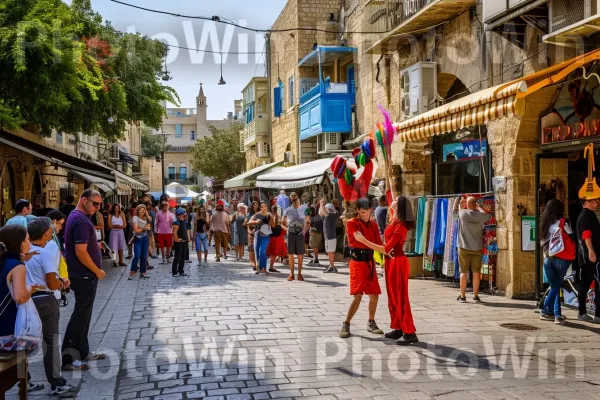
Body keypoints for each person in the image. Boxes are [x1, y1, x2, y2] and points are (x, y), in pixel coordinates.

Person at [26, 217, 75, 395]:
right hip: (44, 300)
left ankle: (25, 380)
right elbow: (51, 282)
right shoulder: (44, 253)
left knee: (24, 342)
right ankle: (56, 382)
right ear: (47, 232)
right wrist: (62, 283)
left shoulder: (23, 253)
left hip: (25, 300)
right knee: (51, 341)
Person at [61, 189, 106, 371]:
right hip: (84, 275)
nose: (97, 208)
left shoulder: (76, 216)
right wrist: (98, 270)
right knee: (80, 317)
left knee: (85, 315)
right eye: (95, 203)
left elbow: (82, 246)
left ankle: (83, 351)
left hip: (83, 274)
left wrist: (96, 245)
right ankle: (69, 358)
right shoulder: (80, 220)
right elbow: (80, 252)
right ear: (84, 200)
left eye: (99, 204)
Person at [0, 224, 45, 395]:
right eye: (26, 239)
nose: (29, 242)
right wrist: (30, 290)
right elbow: (19, 297)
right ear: (19, 243)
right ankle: (23, 385)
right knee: (31, 341)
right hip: (7, 336)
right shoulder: (16, 266)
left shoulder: (5, 262)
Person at [339, 198, 385, 338]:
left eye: (369, 211)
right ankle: (346, 323)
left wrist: (368, 243)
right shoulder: (352, 223)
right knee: (358, 295)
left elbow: (378, 243)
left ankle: (371, 322)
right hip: (357, 263)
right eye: (364, 212)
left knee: (374, 294)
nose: (367, 214)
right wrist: (369, 243)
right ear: (358, 211)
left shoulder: (372, 224)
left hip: (370, 262)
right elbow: (356, 241)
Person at [539, 199, 573, 325]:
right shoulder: (563, 222)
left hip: (548, 259)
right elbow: (571, 237)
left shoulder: (544, 223)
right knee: (555, 286)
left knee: (554, 286)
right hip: (561, 258)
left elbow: (542, 243)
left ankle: (556, 315)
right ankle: (546, 311)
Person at [457, 197, 489, 303]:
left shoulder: (463, 214)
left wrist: (463, 204)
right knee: (476, 272)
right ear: (475, 204)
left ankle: (463, 296)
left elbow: (457, 209)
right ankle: (475, 296)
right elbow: (486, 215)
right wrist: (478, 207)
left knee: (464, 272)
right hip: (477, 248)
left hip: (463, 247)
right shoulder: (481, 216)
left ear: (467, 204)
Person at [576, 193, 600, 322]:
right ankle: (582, 312)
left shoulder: (590, 215)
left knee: (596, 284)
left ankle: (597, 314)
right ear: (586, 202)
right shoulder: (585, 216)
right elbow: (586, 235)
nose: (597, 203)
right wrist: (591, 251)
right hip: (588, 257)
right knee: (584, 284)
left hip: (593, 257)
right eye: (594, 201)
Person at [282, 192, 310, 281]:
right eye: (292, 196)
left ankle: (299, 274)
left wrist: (305, 230)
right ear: (290, 198)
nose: (293, 197)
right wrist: (287, 229)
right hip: (291, 234)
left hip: (300, 234)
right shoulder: (287, 210)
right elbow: (282, 223)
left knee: (300, 255)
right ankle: (291, 274)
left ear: (298, 197)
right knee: (290, 255)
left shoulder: (304, 209)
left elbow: (308, 222)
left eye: (295, 195)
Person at [129, 204, 151, 280]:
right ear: (137, 211)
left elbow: (150, 220)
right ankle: (132, 272)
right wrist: (144, 228)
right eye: (141, 210)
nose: (142, 211)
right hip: (138, 238)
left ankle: (143, 273)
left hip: (145, 238)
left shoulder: (145, 218)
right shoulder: (135, 218)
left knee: (144, 256)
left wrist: (147, 215)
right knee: (137, 255)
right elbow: (136, 230)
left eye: (144, 210)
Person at [251, 201, 274, 274]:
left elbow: (273, 225)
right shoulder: (257, 215)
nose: (264, 208)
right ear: (260, 208)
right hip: (257, 235)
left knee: (262, 251)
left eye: (265, 206)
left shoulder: (269, 215)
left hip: (266, 236)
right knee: (257, 251)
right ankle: (259, 268)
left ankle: (263, 267)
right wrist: (256, 222)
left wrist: (272, 217)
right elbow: (249, 222)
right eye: (262, 207)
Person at [320, 200, 339, 273]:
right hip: (331, 236)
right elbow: (321, 213)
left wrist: (322, 204)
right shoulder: (334, 214)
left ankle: (332, 267)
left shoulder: (330, 215)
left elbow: (323, 212)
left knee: (330, 252)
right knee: (330, 252)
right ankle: (331, 266)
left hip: (329, 236)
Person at [267, 204, 286, 273]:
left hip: (275, 236)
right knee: (271, 252)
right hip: (272, 236)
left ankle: (270, 267)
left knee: (273, 253)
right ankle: (268, 267)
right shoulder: (270, 216)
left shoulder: (278, 217)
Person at [172, 208, 190, 277]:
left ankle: (181, 271)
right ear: (181, 214)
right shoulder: (177, 222)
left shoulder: (184, 222)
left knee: (183, 257)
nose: (185, 214)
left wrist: (187, 239)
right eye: (184, 213)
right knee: (177, 257)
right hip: (179, 242)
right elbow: (174, 233)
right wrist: (177, 239)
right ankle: (174, 271)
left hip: (184, 242)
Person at [245, 201, 260, 270]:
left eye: (257, 204)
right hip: (251, 231)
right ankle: (252, 261)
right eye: (254, 204)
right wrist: (249, 231)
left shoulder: (260, 214)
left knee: (256, 247)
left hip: (258, 231)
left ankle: (257, 261)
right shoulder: (249, 215)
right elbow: (246, 224)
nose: (255, 206)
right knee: (251, 247)